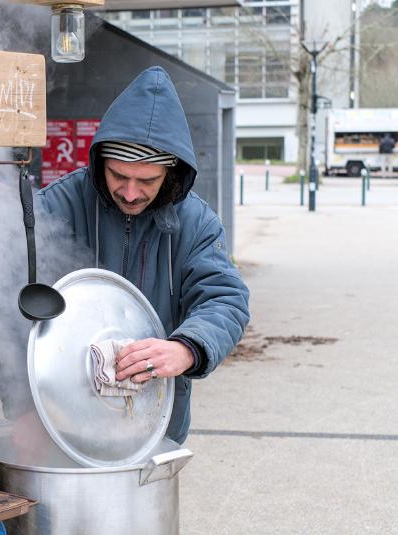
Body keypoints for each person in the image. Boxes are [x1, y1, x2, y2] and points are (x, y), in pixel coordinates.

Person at [34, 66, 250, 445]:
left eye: (147, 180)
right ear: (100, 162)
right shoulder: (56, 206)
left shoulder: (197, 223)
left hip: (156, 422)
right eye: (118, 175)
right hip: (59, 418)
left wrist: (187, 347)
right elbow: (6, 306)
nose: (130, 193)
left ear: (171, 173)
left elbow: (225, 299)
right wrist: (20, 410)